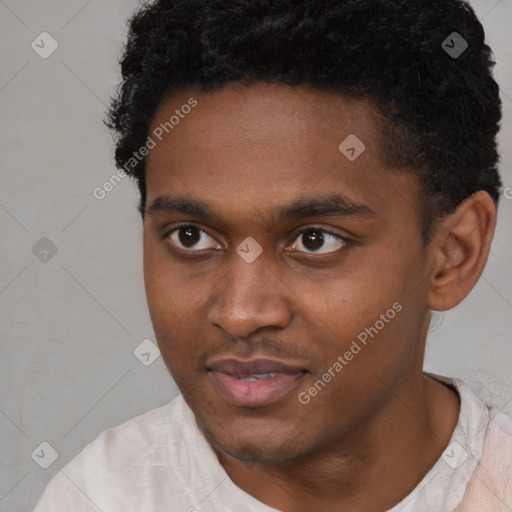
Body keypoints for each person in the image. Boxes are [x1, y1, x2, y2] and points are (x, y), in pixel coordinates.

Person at [34, 0, 512, 510]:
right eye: (191, 236)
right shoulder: (99, 498)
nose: (241, 314)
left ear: (452, 254)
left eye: (315, 240)